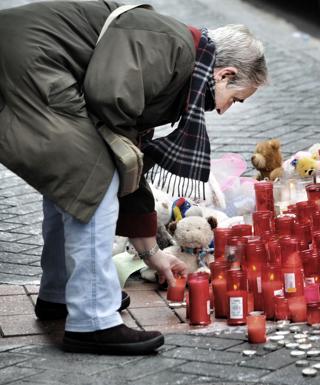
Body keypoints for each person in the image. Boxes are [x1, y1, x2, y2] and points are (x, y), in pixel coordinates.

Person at [0, 1, 268, 355]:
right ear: (225, 74)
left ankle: (60, 294)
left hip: (29, 55)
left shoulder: (180, 57)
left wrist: (150, 252)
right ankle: (93, 321)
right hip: (32, 60)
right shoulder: (172, 49)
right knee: (91, 179)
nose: (222, 109)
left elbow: (130, 145)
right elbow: (110, 97)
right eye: (235, 100)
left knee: (72, 178)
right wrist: (124, 165)